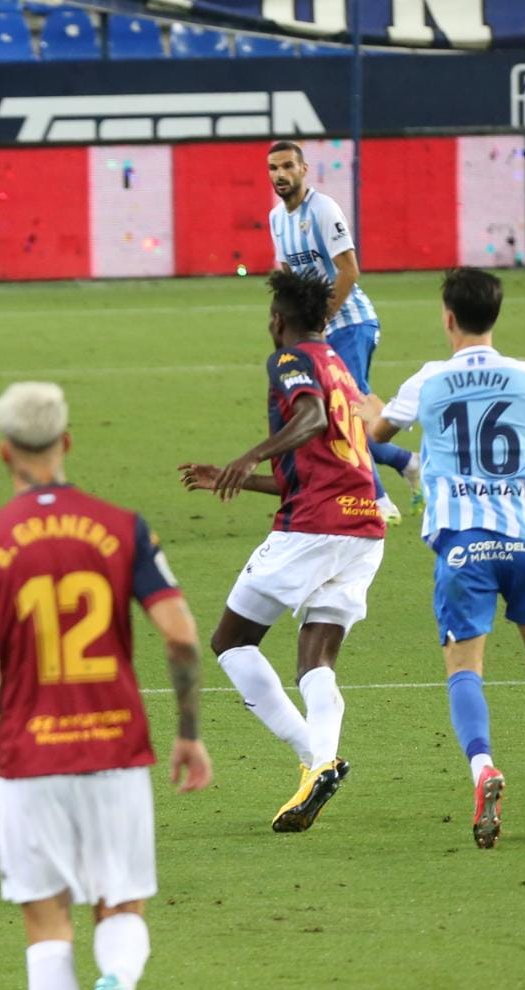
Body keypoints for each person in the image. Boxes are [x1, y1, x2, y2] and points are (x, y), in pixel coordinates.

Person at [0, 382, 212, 990]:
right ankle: (120, 982)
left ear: (3, 452)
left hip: (30, 759)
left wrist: (8, 696)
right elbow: (183, 636)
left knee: (45, 923)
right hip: (117, 748)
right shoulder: (122, 527)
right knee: (120, 907)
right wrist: (188, 733)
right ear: (69, 442)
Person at [358, 268, 525, 848]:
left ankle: (484, 769)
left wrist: (369, 405)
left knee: (464, 669)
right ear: (495, 316)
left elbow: (375, 431)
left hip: (463, 546)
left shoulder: (429, 380)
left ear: (447, 318)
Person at [178, 270, 385, 833]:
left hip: (313, 529)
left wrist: (248, 456)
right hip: (364, 528)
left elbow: (310, 417)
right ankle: (321, 766)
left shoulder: (291, 361)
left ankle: (312, 757)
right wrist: (235, 476)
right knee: (316, 660)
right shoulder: (340, 366)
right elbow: (315, 465)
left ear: (279, 319)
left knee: (231, 641)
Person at [266, 139, 420, 520]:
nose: (281, 174)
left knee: (347, 414)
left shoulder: (323, 209)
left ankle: (379, 502)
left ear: (303, 170)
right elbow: (290, 279)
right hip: (319, 331)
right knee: (341, 416)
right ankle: (408, 463)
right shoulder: (276, 219)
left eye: (288, 166)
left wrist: (322, 318)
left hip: (351, 323)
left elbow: (349, 270)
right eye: (274, 168)